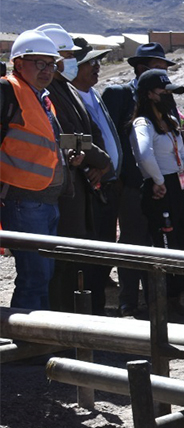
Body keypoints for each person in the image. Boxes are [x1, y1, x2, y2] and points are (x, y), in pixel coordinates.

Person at [0, 31, 79, 311]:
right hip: (23, 200)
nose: (48, 70)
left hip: (45, 200)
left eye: (51, 64)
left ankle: (37, 341)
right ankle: (23, 345)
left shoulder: (42, 98)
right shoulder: (7, 91)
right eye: (40, 63)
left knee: (43, 276)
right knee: (35, 277)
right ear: (19, 63)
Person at [39, 25, 114, 314]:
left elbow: (90, 134)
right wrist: (101, 161)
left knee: (79, 260)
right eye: (67, 55)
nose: (71, 61)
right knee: (62, 265)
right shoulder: (49, 93)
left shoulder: (66, 89)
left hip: (82, 189)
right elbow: (68, 136)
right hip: (64, 191)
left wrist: (100, 162)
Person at [102, 42, 176, 316]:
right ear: (142, 69)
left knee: (155, 240)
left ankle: (155, 304)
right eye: (160, 70)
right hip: (131, 184)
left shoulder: (164, 98)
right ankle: (128, 304)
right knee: (134, 241)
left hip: (156, 183)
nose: (165, 78)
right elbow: (111, 138)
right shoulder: (119, 95)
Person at [131, 68, 184, 320]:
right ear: (149, 94)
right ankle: (159, 303)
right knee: (163, 245)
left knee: (182, 243)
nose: (169, 96)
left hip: (177, 188)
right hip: (161, 189)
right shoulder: (143, 123)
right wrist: (158, 180)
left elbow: (182, 159)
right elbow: (143, 153)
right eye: (164, 92)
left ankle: (174, 298)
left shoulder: (170, 122)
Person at [69, 37, 122, 313]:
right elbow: (75, 140)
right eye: (90, 63)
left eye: (97, 62)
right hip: (92, 187)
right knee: (92, 254)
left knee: (105, 249)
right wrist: (98, 163)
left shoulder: (94, 94)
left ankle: (99, 308)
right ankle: (92, 312)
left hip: (108, 184)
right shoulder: (71, 96)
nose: (97, 67)